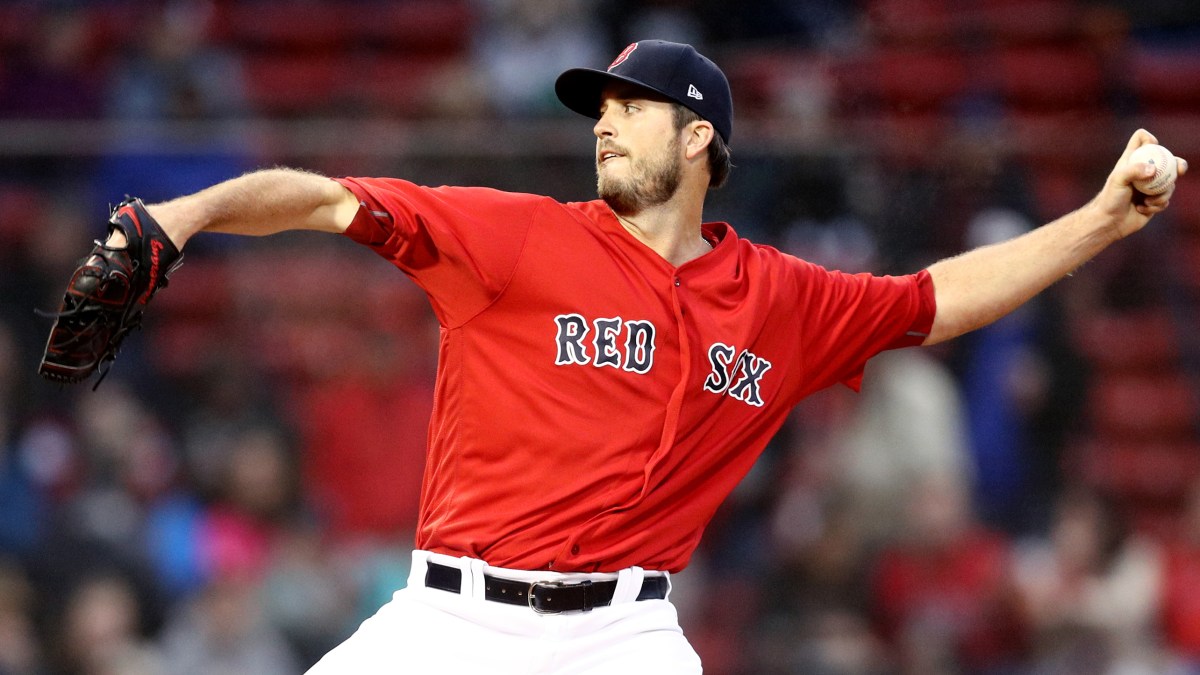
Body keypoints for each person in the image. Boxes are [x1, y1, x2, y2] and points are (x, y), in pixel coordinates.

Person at [93, 40, 1184, 673]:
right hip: (448, 625)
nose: (604, 125)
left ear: (700, 135)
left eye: (631, 108)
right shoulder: (519, 235)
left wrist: (1099, 218)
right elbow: (330, 201)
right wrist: (185, 216)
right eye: (598, 110)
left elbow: (933, 301)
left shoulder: (777, 299)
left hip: (626, 637)